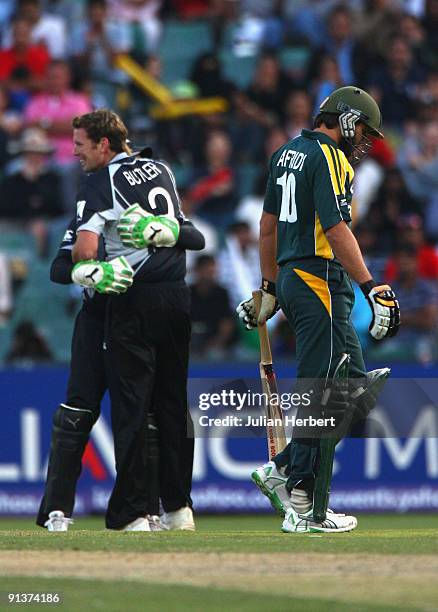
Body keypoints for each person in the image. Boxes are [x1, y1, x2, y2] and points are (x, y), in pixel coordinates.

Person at [237, 86, 400, 533]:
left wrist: (269, 285)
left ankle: (283, 468)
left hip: (294, 278)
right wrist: (371, 285)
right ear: (345, 119)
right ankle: (306, 506)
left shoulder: (285, 153)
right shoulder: (331, 158)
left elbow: (267, 228)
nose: (364, 140)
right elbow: (335, 226)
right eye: (363, 129)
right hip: (319, 280)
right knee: (327, 395)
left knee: (353, 388)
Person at [70, 109, 203, 531]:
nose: (76, 153)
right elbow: (193, 236)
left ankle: (132, 514)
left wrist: (86, 269)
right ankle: (179, 509)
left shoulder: (99, 180)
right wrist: (161, 232)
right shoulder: (160, 169)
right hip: (177, 298)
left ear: (103, 145)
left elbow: (85, 249)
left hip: (132, 299)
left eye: (80, 145)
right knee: (173, 406)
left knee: (132, 407)